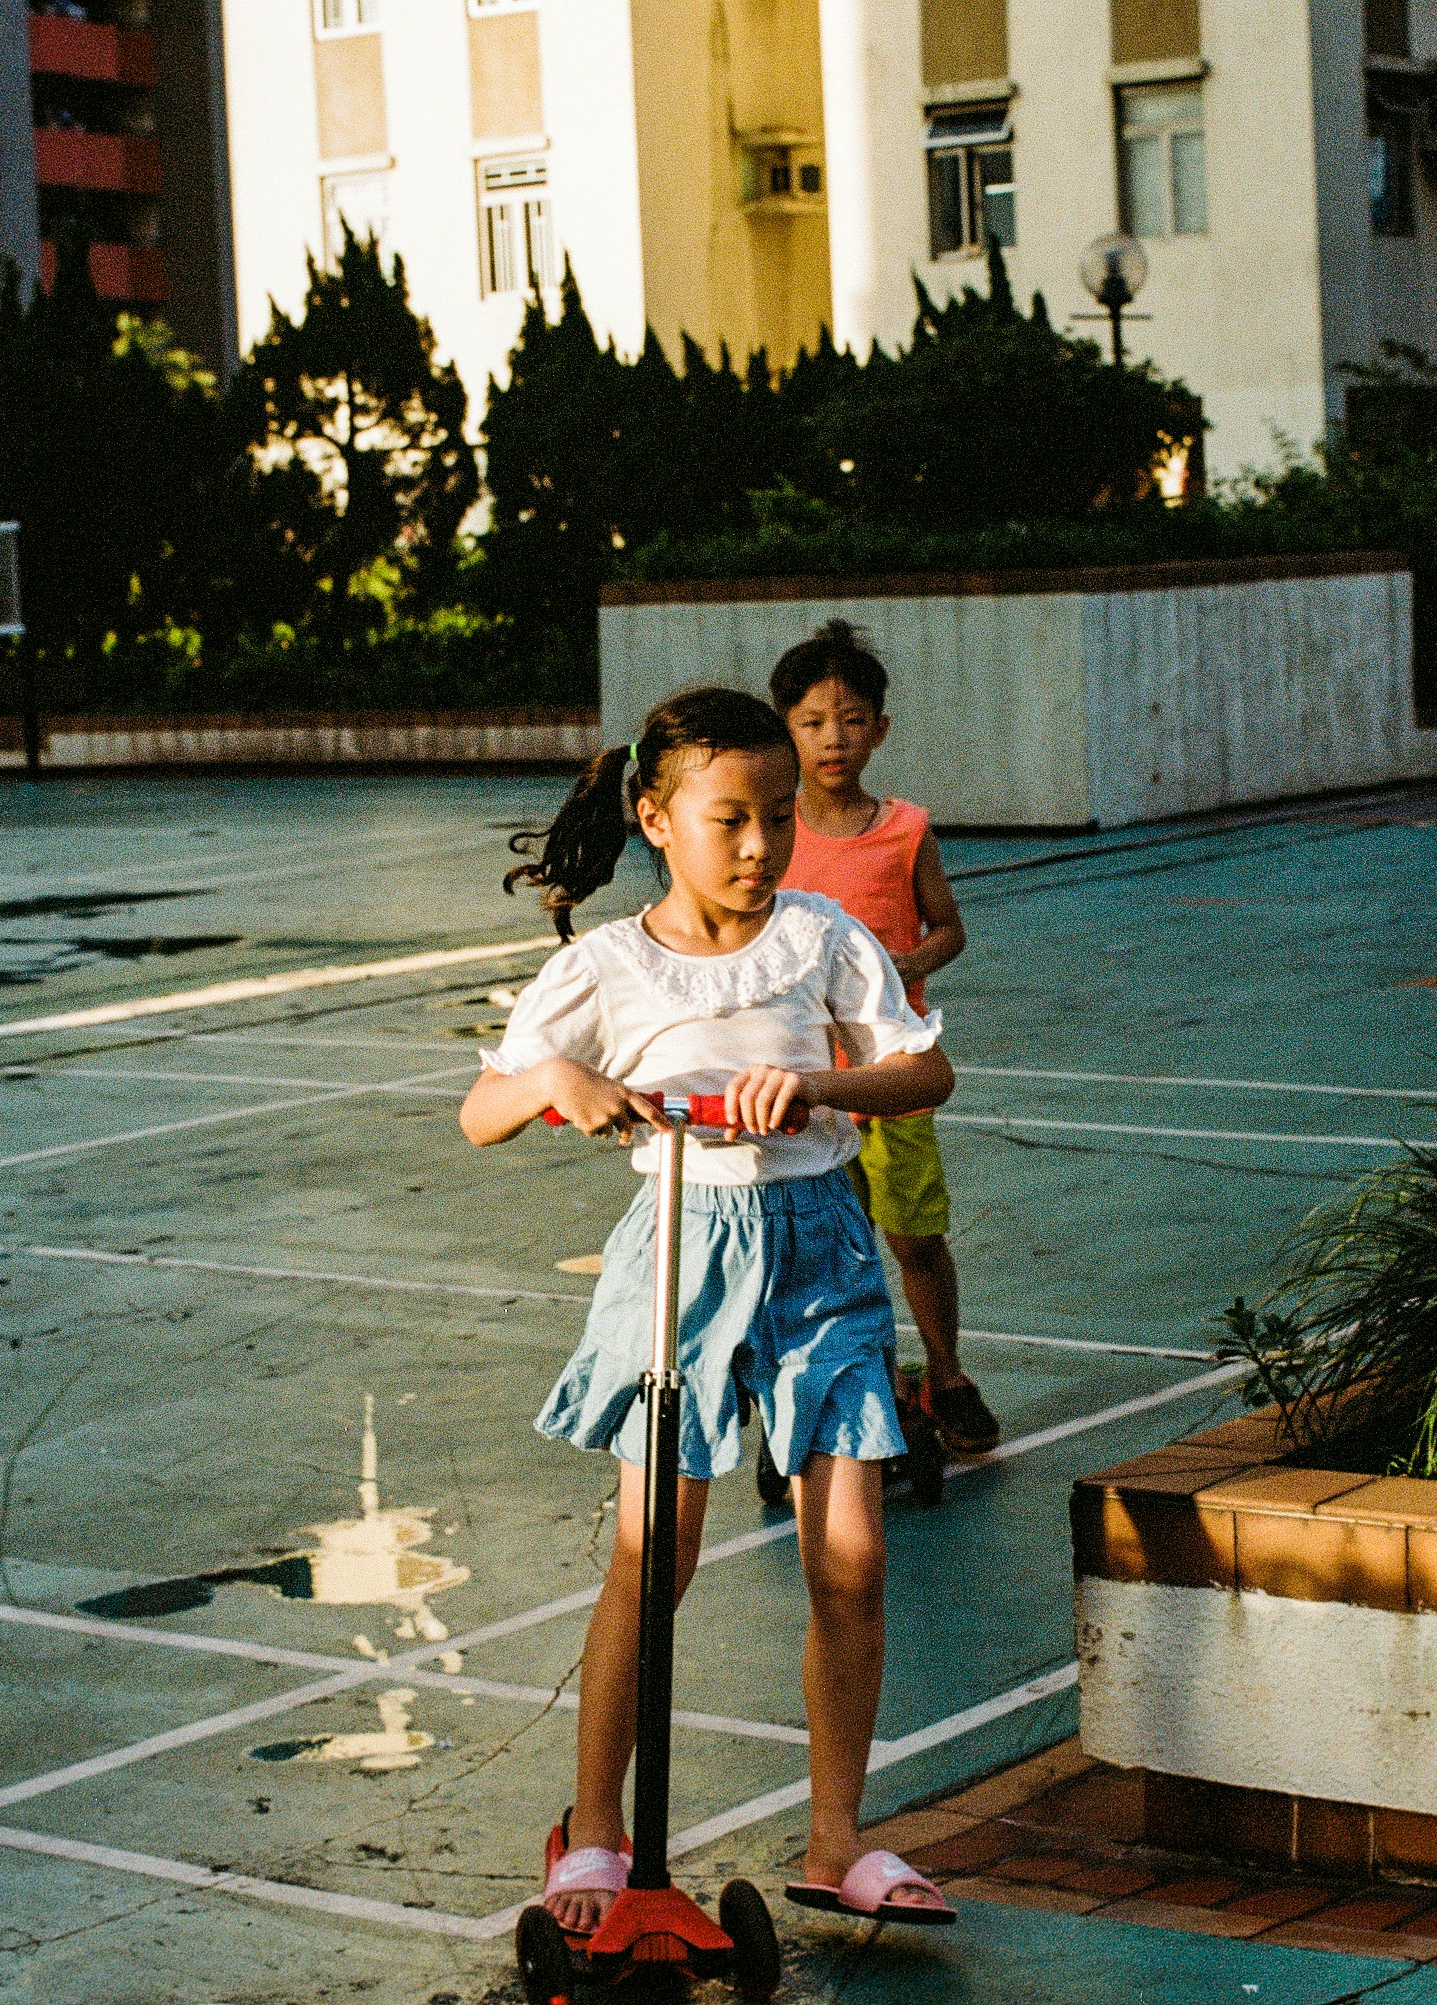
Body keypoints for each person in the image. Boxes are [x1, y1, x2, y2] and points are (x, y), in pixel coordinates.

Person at [463, 686, 962, 1934]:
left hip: (822, 1250)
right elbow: (482, 1110)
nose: (760, 846)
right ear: (655, 817)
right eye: (730, 819)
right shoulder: (603, 965)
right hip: (679, 1253)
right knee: (654, 1557)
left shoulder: (824, 937)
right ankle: (590, 1835)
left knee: (852, 1555)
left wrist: (817, 1082)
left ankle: (837, 1838)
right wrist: (559, 1080)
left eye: (779, 817)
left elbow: (926, 1069)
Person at [768, 622, 997, 1455]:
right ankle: (857, 1383)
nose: (835, 737)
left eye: (853, 718)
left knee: (914, 1235)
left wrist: (907, 963)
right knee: (829, 1246)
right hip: (804, 1082)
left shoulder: (905, 828)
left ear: (881, 729)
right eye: (814, 720)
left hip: (893, 1073)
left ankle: (946, 1374)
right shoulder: (774, 833)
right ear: (785, 728)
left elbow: (950, 929)